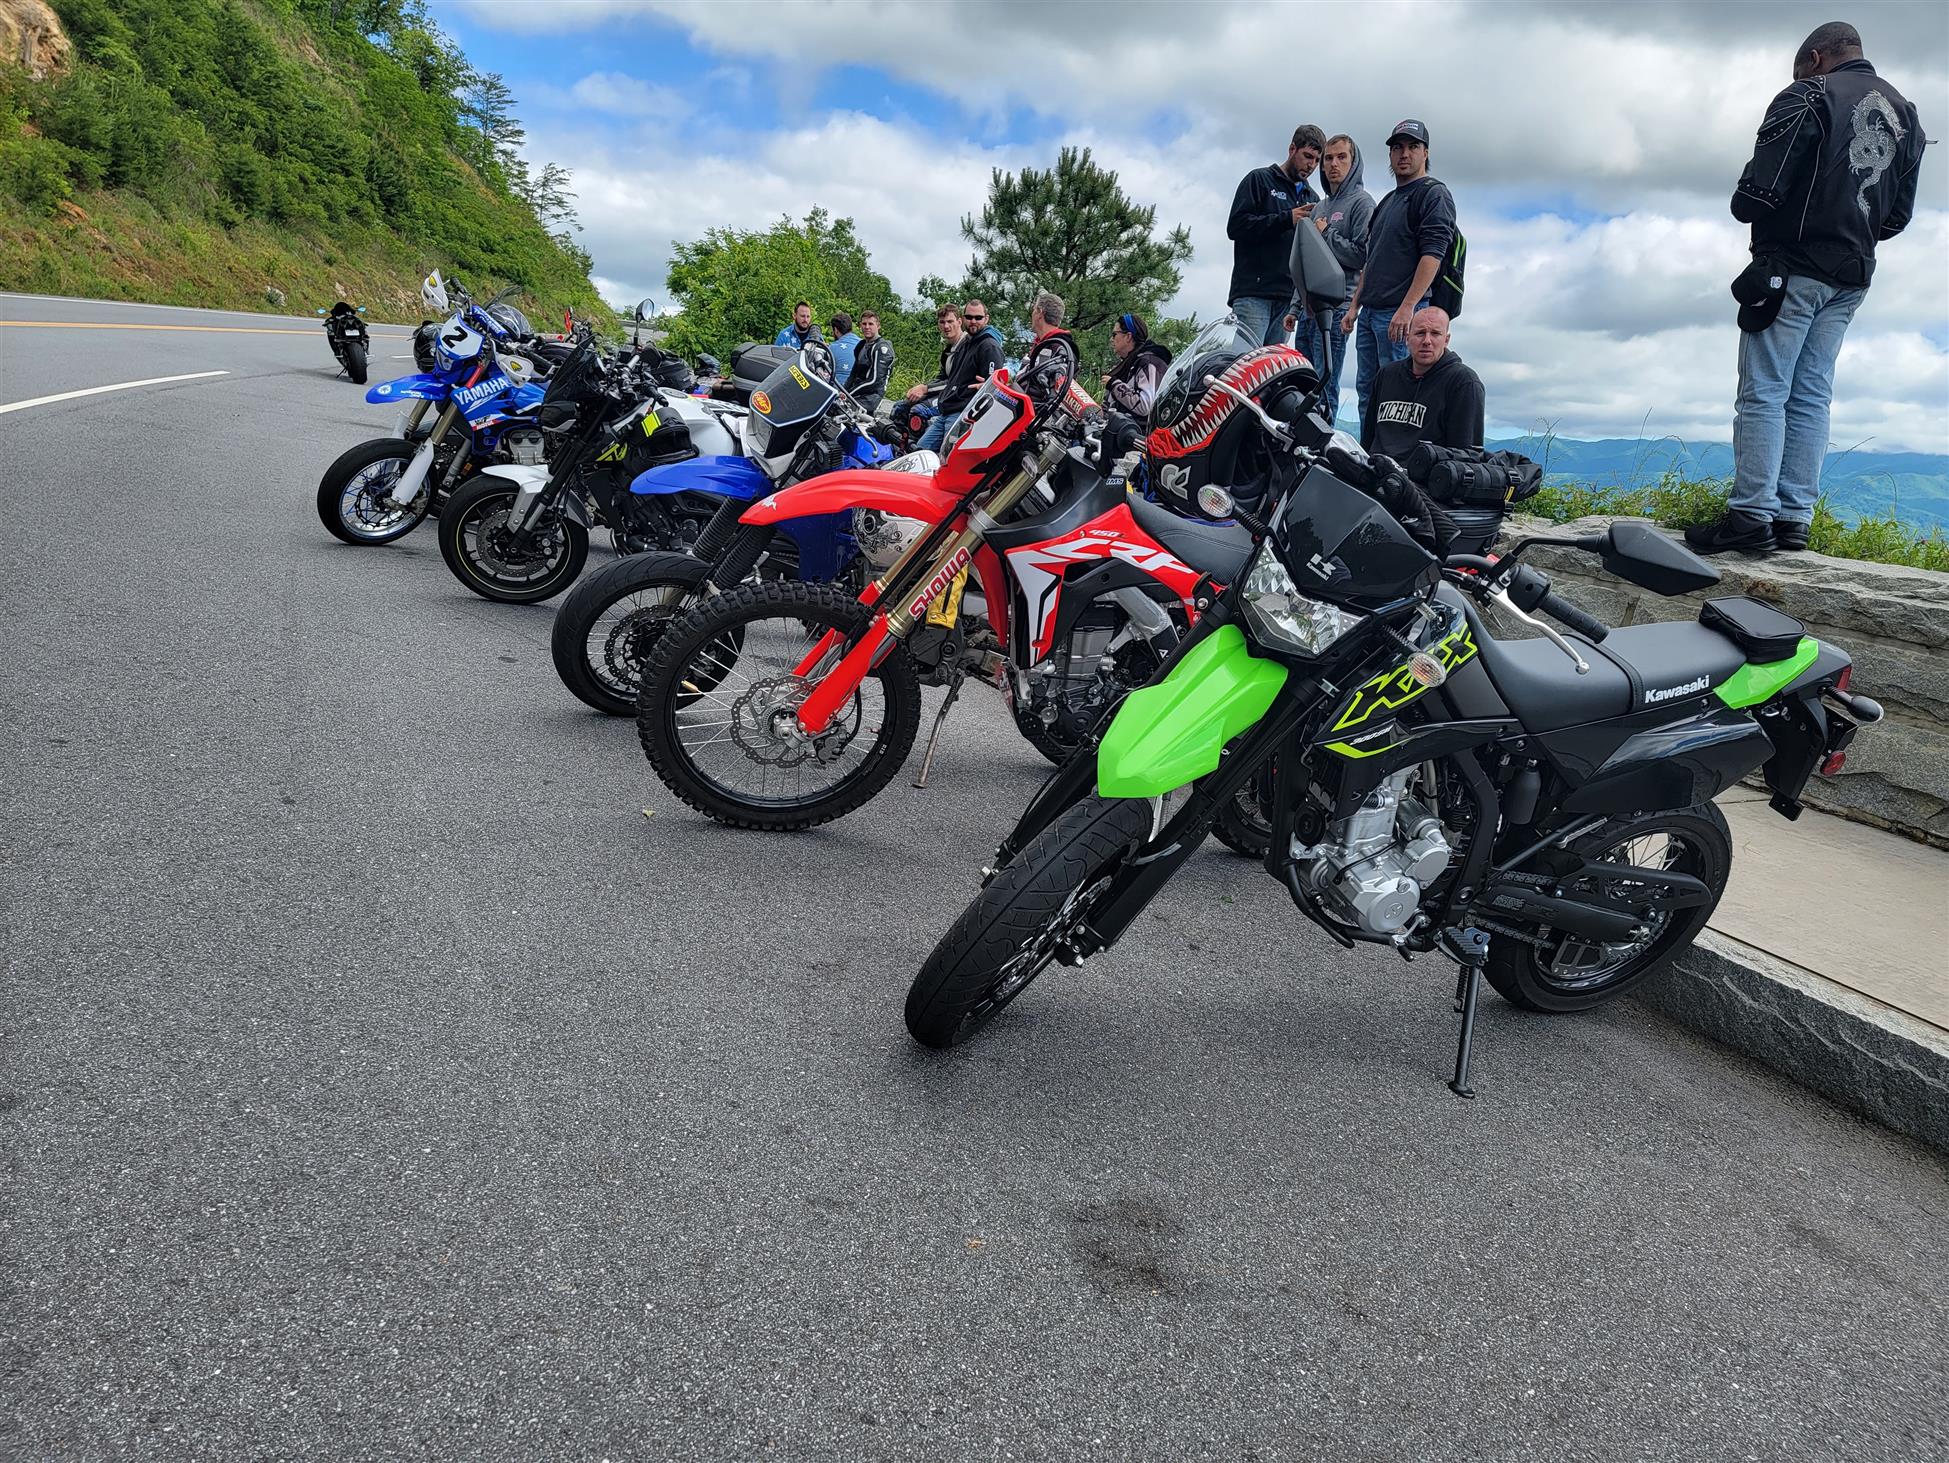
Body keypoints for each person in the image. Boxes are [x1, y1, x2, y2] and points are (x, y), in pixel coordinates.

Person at [1685, 20, 1924, 556]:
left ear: (1815, 58)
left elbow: (1756, 197)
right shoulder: (1907, 114)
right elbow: (1896, 218)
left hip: (1791, 268)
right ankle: (1794, 518)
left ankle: (1751, 516)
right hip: (1853, 273)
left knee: (1764, 391)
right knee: (1813, 393)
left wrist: (1755, 197)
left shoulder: (1807, 95)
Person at [1342, 120, 1456, 435]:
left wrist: (1408, 308)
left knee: (1401, 398)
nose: (1404, 154)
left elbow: (1433, 254)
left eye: (1412, 147)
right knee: (1369, 393)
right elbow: (1371, 259)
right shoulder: (1387, 202)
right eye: (1397, 148)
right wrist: (1354, 306)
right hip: (1371, 314)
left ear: (1425, 153)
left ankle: (1397, 459)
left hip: (1401, 315)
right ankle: (1368, 455)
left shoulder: (1433, 194)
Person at [1287, 133, 1373, 428]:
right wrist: (1295, 307)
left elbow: (1362, 256)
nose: (1334, 164)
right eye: (1329, 158)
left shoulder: (1362, 204)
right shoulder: (1319, 207)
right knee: (1300, 383)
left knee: (1325, 384)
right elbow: (1306, 260)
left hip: (1336, 309)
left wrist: (1327, 234)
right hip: (1309, 310)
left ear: (1354, 162)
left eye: (1341, 157)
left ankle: (1322, 444)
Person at [1226, 124, 1326, 349]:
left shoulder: (1313, 198)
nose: (1311, 165)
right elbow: (1236, 227)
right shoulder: (1259, 180)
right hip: (1254, 293)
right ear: (1292, 149)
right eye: (1307, 156)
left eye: (1317, 160)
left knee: (1273, 368)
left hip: (1287, 299)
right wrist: (1286, 218)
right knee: (1246, 363)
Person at [1359, 306, 1483, 461]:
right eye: (1420, 333)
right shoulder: (1386, 375)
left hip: (1424, 473)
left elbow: (1466, 457)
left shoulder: (1464, 383)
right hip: (1375, 468)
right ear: (1407, 337)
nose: (1427, 341)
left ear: (1446, 340)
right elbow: (1367, 440)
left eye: (1435, 333)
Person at [922, 298, 1004, 452]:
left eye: (978, 317)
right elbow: (951, 378)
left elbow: (996, 386)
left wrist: (987, 386)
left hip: (963, 415)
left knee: (947, 457)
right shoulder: (965, 344)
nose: (973, 321)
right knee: (920, 450)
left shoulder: (989, 346)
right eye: (969, 317)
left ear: (986, 319)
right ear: (963, 318)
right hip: (946, 411)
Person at [905, 303, 966, 450]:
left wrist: (925, 389)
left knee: (918, 412)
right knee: (901, 407)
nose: (946, 326)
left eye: (950, 321)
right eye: (942, 322)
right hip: (946, 399)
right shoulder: (948, 350)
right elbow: (942, 378)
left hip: (959, 401)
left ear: (959, 322)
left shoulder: (966, 347)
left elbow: (956, 381)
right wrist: (921, 389)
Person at [1101, 311, 1171, 423]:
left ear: (1128, 336)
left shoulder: (1149, 363)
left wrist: (1114, 385)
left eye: (1114, 334)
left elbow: (1145, 405)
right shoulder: (1130, 363)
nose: (1111, 339)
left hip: (1137, 432)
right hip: (1120, 429)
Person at [844, 309, 896, 412]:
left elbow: (874, 381)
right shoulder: (861, 345)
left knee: (841, 411)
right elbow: (853, 374)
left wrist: (849, 394)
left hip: (872, 398)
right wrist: (843, 391)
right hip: (857, 394)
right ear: (860, 325)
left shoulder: (882, 349)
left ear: (878, 326)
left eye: (871, 324)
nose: (867, 327)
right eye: (864, 324)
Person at [827, 312, 860, 385]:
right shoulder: (863, 344)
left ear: (835, 330)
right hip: (858, 388)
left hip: (838, 389)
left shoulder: (832, 348)